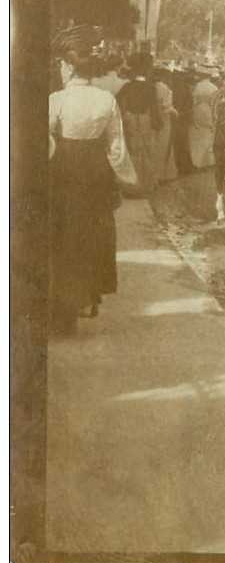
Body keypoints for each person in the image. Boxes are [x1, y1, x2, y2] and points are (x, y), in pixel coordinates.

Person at [48, 25, 137, 335]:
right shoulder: (105, 100)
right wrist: (128, 178)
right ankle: (86, 296)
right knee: (91, 237)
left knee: (63, 238)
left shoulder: (56, 100)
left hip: (64, 173)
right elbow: (116, 146)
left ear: (70, 67)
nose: (60, 69)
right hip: (96, 176)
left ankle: (61, 304)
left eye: (61, 64)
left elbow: (45, 144)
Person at [116, 52, 163, 195]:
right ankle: (145, 184)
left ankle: (131, 185)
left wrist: (124, 117)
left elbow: (117, 102)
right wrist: (157, 124)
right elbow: (154, 108)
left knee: (132, 152)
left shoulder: (127, 86)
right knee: (147, 152)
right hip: (145, 120)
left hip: (130, 120)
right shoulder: (150, 87)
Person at [153, 67, 178, 183]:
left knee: (154, 144)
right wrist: (176, 113)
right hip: (164, 117)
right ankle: (161, 174)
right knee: (163, 145)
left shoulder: (152, 86)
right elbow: (167, 106)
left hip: (153, 117)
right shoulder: (164, 88)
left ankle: (154, 174)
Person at [188, 68, 218, 169]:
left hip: (197, 110)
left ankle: (198, 162)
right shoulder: (213, 87)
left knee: (198, 136)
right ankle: (208, 161)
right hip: (208, 110)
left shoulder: (197, 86)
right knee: (209, 135)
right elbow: (215, 103)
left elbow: (193, 100)